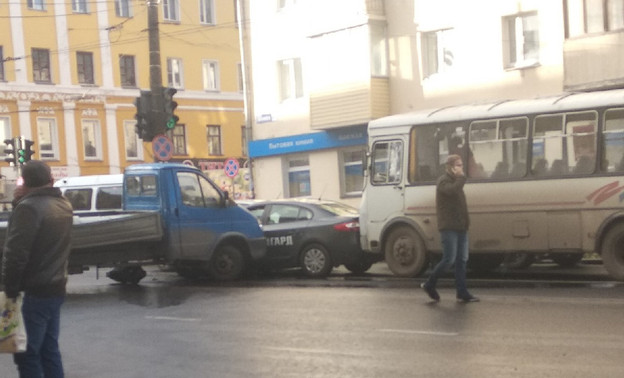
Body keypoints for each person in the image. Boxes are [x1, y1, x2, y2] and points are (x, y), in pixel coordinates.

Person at [1, 160, 73, 377]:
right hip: (56, 287)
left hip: (32, 291)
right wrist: (19, 203)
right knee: (49, 350)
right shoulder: (63, 204)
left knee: (27, 354)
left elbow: (15, 254)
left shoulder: (28, 208)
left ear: (24, 182)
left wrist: (9, 290)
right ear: (50, 180)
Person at [421, 154, 479, 303]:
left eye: (461, 165)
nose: (462, 168)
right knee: (449, 259)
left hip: (461, 227)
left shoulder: (456, 182)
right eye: (459, 165)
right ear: (451, 167)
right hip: (449, 227)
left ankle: (462, 292)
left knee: (462, 260)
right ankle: (430, 284)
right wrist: (461, 178)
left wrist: (466, 223)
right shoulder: (443, 182)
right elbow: (451, 191)